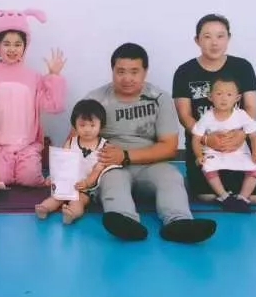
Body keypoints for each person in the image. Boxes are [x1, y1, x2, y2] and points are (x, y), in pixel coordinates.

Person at [85, 42, 217, 243]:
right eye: (120, 71)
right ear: (112, 70)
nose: (127, 78)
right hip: (110, 165)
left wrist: (126, 156)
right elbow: (76, 140)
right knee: (112, 182)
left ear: (145, 72)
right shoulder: (95, 99)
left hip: (150, 163)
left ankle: (179, 223)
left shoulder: (160, 98)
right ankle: (126, 222)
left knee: (171, 177)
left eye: (134, 72)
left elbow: (169, 147)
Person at [172, 13, 256, 204]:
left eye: (220, 36)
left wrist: (241, 135)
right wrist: (207, 139)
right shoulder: (184, 71)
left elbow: (251, 107)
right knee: (206, 196)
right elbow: (184, 115)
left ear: (228, 38)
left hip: (239, 140)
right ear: (197, 40)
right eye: (207, 36)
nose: (214, 43)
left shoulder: (242, 67)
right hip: (203, 143)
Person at [0, 8, 67, 187]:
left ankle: (28, 167)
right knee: (1, 179)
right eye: (6, 44)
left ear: (25, 46)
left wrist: (54, 76)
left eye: (17, 44)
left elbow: (54, 106)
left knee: (30, 178)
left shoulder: (34, 77)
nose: (12, 49)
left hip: (27, 146)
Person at [35, 99, 116, 225]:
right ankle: (44, 208)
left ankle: (72, 213)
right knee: (57, 197)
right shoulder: (71, 142)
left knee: (79, 200)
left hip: (87, 187)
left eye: (92, 125)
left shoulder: (104, 146)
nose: (87, 130)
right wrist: (54, 177)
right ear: (75, 125)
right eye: (82, 125)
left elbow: (98, 169)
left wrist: (86, 183)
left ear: (101, 125)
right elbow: (62, 163)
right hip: (68, 182)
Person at [191, 75, 256, 212]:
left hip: (238, 151)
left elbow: (254, 136)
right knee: (207, 166)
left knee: (255, 168)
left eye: (229, 94)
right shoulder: (207, 117)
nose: (224, 98)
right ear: (210, 97)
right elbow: (196, 138)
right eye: (219, 94)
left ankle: (243, 198)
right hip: (214, 151)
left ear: (237, 98)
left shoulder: (241, 115)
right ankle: (224, 196)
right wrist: (199, 155)